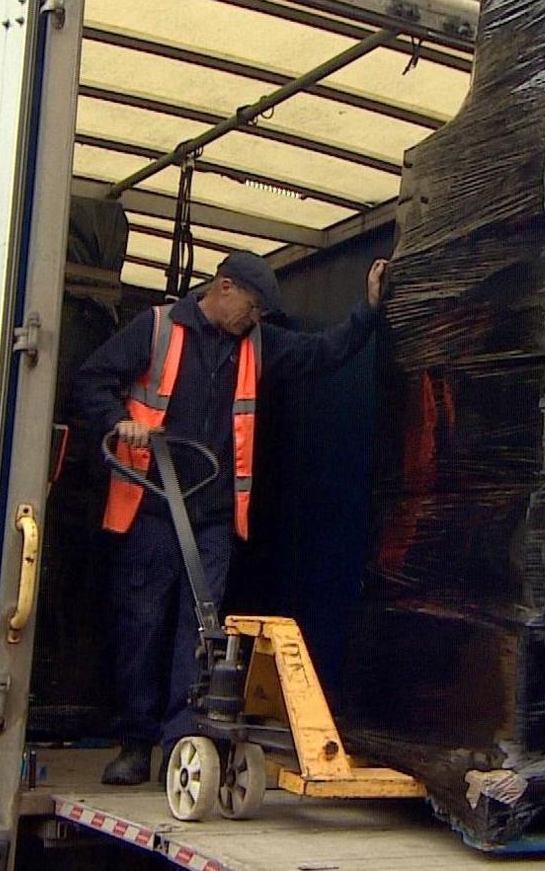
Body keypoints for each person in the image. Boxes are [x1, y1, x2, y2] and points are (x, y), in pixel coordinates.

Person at [74, 251, 387, 785]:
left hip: (213, 517)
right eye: (253, 306)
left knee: (200, 634)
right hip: (151, 506)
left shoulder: (257, 345)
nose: (255, 318)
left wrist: (370, 310)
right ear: (223, 288)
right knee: (142, 626)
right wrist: (120, 421)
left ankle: (182, 744)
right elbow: (90, 381)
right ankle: (134, 742)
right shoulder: (154, 330)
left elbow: (321, 354)